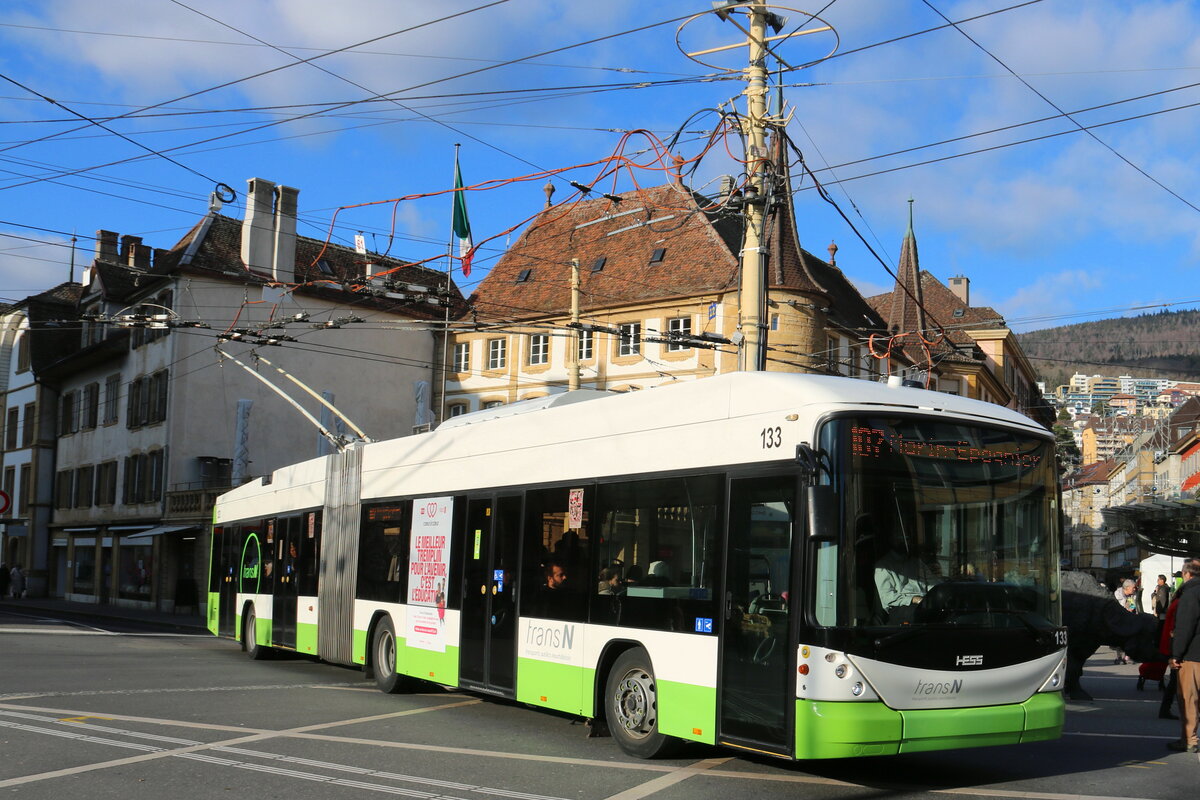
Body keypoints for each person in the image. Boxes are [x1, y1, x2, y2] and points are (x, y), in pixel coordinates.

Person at [874, 527, 940, 624]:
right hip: (901, 607)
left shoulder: (916, 562)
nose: (906, 540)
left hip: (924, 603)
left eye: (908, 537)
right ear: (892, 540)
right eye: (901, 537)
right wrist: (913, 599)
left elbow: (933, 584)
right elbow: (887, 597)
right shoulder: (883, 566)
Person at [1168, 559, 1200, 753]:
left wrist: (1176, 654)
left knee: (1188, 699)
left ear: (1186, 574)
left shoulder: (1190, 594)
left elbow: (1185, 628)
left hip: (1193, 655)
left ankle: (1189, 739)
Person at [1113, 579, 1138, 663]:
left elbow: (1134, 606)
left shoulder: (1133, 595)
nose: (1135, 589)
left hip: (1130, 619)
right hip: (1120, 619)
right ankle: (1119, 657)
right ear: (1127, 588)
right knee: (1119, 638)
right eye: (1133, 588)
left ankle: (1127, 656)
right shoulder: (1117, 594)